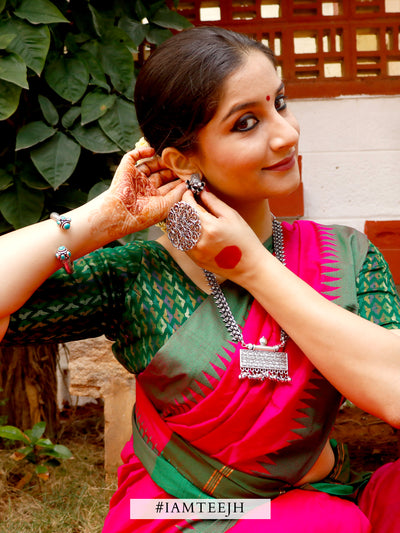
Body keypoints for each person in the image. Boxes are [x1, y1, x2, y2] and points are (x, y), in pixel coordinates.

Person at [1, 26, 400, 532]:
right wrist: (102, 218)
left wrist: (253, 267)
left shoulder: (345, 255)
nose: (286, 133)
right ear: (182, 160)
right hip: (184, 508)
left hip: (323, 492)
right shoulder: (138, 274)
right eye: (247, 122)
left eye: (280, 102)